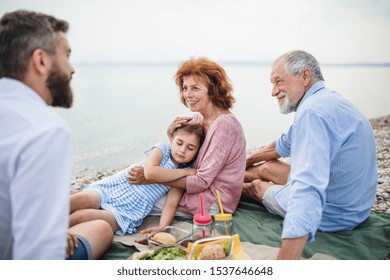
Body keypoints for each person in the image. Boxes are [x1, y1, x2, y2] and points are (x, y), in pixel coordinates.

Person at [242, 50, 377, 259]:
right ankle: (227, 175)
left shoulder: (311, 113)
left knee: (258, 186)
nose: (273, 91)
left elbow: (308, 188)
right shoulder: (326, 100)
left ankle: (224, 186)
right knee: (266, 167)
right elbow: (280, 145)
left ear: (305, 76)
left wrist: (287, 261)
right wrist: (242, 163)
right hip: (357, 204)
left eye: (278, 82)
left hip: (335, 214)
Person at [0, 10, 113, 260]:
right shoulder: (42, 129)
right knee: (100, 228)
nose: (72, 69)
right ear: (40, 60)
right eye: (67, 55)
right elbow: (39, 257)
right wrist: (48, 237)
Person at [128, 57, 246, 225]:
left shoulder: (225, 126)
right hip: (193, 188)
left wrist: (151, 177)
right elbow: (184, 157)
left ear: (213, 90)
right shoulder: (199, 117)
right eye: (185, 88)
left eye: (195, 88)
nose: (187, 95)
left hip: (212, 200)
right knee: (135, 187)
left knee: (136, 197)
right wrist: (170, 136)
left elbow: (201, 182)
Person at [69, 123, 205, 235]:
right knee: (78, 200)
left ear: (195, 154)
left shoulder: (181, 178)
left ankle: (53, 236)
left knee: (80, 216)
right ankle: (48, 220)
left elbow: (171, 204)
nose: (182, 150)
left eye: (190, 148)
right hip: (116, 186)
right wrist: (185, 172)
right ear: (171, 140)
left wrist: (163, 227)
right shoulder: (162, 149)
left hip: (130, 209)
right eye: (179, 143)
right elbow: (151, 173)